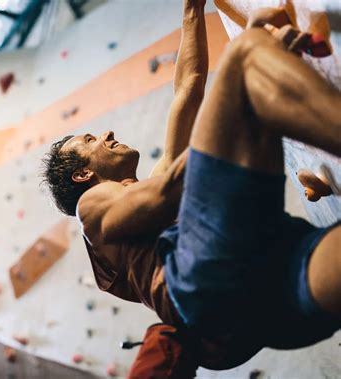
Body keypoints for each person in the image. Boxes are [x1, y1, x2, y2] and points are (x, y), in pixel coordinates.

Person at [42, 0, 341, 371]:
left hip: (251, 308)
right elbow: (169, 194)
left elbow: (188, 88)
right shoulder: (92, 208)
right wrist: (237, 118)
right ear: (82, 175)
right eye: (90, 141)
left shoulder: (150, 185)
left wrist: (192, 11)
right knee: (245, 57)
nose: (106, 134)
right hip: (199, 282)